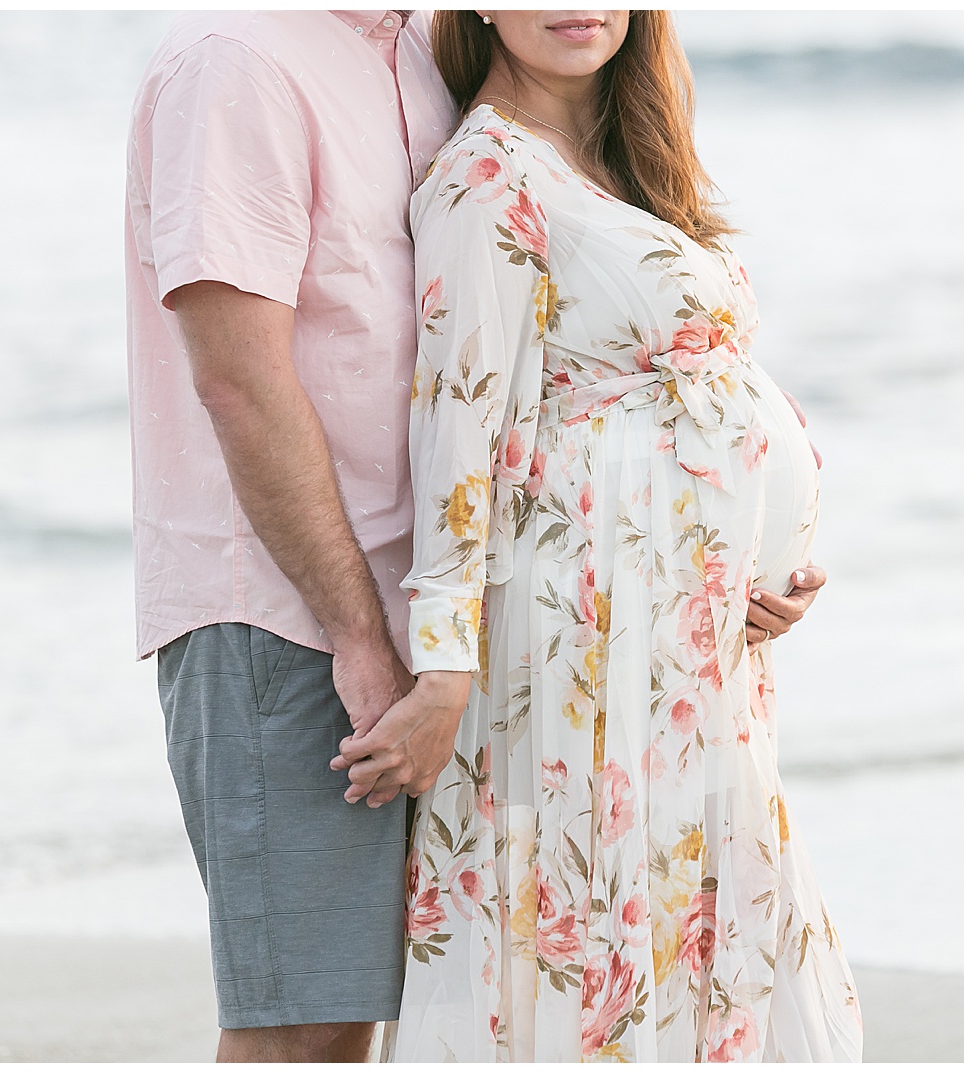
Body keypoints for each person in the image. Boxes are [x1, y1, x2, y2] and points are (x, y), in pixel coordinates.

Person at [125, 10, 828, 1062]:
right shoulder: (241, 61)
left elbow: (531, 368)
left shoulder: (416, 52)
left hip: (458, 621)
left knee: (463, 986)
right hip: (293, 608)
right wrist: (366, 638)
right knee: (305, 1022)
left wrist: (725, 554)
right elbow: (236, 374)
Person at [335, 10, 863, 1062]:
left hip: (688, 645)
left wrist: (767, 560)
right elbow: (457, 422)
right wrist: (440, 668)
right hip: (582, 640)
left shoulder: (627, 159)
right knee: (588, 937)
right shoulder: (486, 176)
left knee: (689, 929)